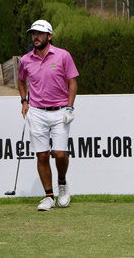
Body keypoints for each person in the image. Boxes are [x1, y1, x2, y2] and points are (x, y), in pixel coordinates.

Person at [18, 20, 79, 211]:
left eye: (40, 33)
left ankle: (62, 183)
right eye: (33, 33)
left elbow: (72, 82)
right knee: (42, 155)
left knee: (60, 154)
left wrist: (70, 107)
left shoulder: (63, 55)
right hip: (36, 112)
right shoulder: (26, 59)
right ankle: (49, 196)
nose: (35, 37)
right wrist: (24, 101)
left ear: (49, 36)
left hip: (60, 110)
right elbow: (21, 81)